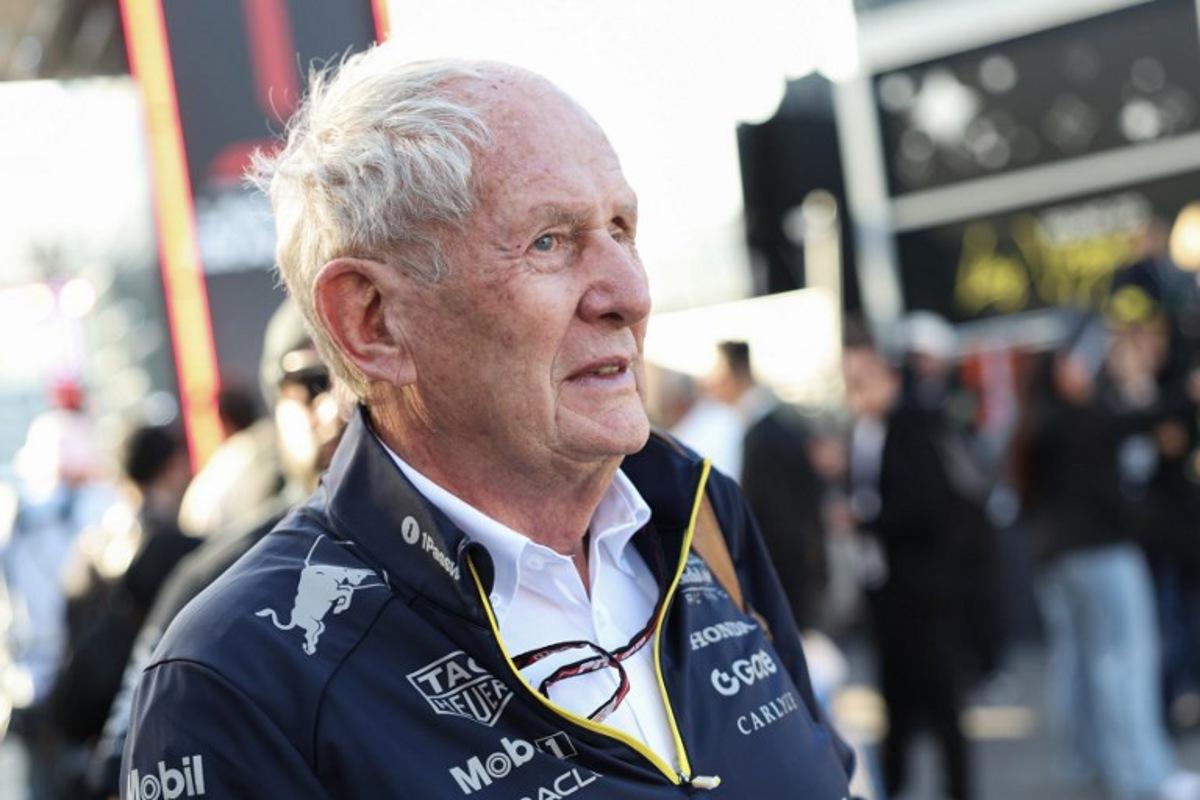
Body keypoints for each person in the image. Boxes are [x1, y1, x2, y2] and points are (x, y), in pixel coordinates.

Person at [121, 49, 856, 799]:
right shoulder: (239, 680)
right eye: (550, 242)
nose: (629, 294)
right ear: (372, 322)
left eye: (621, 228)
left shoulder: (699, 513)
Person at [843, 340, 972, 800]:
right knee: (893, 695)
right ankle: (894, 785)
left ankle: (959, 788)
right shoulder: (861, 432)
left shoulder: (915, 428)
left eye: (866, 380)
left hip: (924, 585)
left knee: (941, 695)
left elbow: (927, 505)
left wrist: (865, 519)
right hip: (884, 588)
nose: (858, 390)